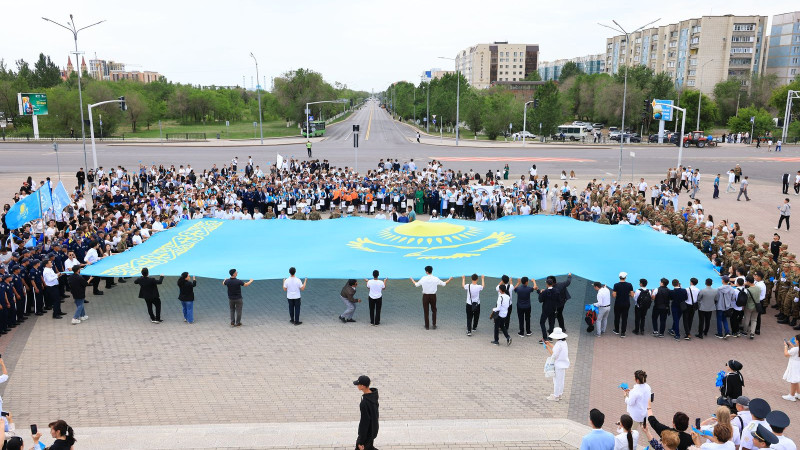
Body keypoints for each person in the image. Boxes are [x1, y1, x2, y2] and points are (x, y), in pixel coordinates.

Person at [410, 266, 451, 330]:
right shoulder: (435, 278)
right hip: (433, 296)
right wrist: (450, 279)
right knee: (434, 310)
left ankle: (427, 326)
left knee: (426, 311)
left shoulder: (423, 278)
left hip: (425, 296)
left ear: (426, 272)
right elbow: (444, 284)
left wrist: (412, 280)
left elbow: (416, 285)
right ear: (432, 271)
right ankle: (434, 324)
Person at [353, 375, 379, 450]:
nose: (357, 386)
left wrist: (360, 441)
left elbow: (364, 422)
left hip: (367, 434)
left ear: (363, 386)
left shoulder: (364, 403)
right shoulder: (373, 395)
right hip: (373, 429)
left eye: (358, 384)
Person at [545, 327, 569, 400]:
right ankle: (559, 394)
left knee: (556, 380)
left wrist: (547, 347)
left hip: (558, 364)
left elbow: (554, 354)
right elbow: (556, 349)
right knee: (561, 380)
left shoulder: (558, 344)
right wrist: (549, 344)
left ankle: (556, 396)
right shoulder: (564, 343)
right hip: (563, 364)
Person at [536, 277, 560, 343]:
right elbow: (558, 300)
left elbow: (540, 300)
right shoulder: (557, 291)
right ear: (552, 284)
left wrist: (540, 292)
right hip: (553, 309)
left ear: (547, 284)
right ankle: (550, 337)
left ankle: (545, 337)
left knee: (542, 322)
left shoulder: (545, 291)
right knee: (551, 323)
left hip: (545, 309)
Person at [613, 272, 634, 338]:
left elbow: (614, 295)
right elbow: (632, 295)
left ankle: (616, 330)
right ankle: (623, 332)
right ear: (625, 277)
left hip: (618, 303)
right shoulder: (629, 285)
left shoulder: (616, 285)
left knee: (617, 317)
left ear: (619, 277)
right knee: (624, 318)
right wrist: (628, 294)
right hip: (626, 303)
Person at [782, 335, 800, 401]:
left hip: (794, 366)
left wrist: (786, 346)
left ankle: (791, 396)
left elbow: (786, 354)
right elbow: (796, 351)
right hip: (798, 366)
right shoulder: (797, 349)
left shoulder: (795, 349)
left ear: (798, 341)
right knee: (796, 380)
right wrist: (791, 345)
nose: (794, 340)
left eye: (795, 339)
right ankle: (799, 394)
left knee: (793, 381)